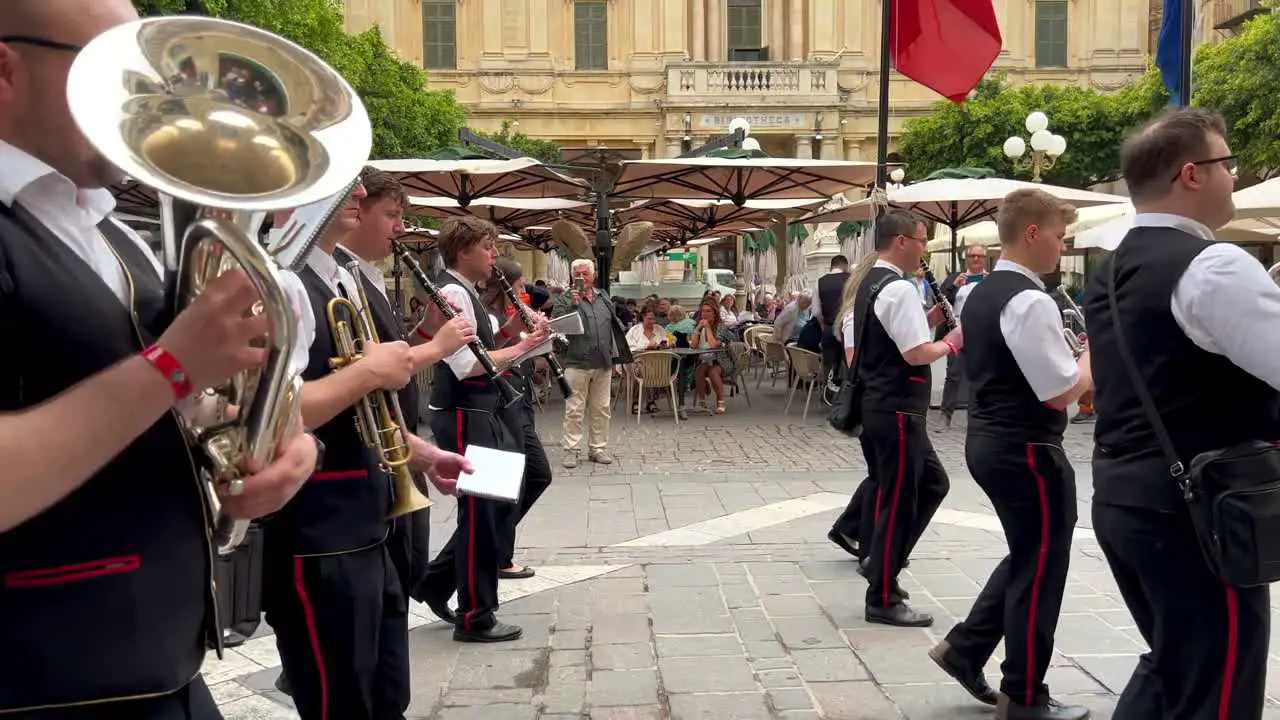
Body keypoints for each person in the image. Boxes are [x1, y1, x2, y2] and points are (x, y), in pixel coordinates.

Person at [0, 1, 320, 716]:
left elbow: (188, 407)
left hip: (162, 661)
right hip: (45, 681)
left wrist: (281, 444)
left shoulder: (110, 229)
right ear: (4, 66)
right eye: (107, 72)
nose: (141, 106)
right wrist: (171, 367)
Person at [1083, 107, 1280, 720]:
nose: (1235, 177)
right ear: (1192, 174)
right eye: (1229, 165)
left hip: (1126, 496)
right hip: (1198, 510)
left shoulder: (1111, 268)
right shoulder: (1212, 265)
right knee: (1217, 684)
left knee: (1176, 664)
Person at [266, 178, 470, 720]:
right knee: (341, 698)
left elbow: (362, 412)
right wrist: (370, 372)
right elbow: (268, 414)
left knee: (386, 691)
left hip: (370, 518)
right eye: (341, 177)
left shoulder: (342, 279)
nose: (358, 189)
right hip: (319, 528)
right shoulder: (279, 279)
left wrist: (422, 455)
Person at [928, 189, 1092, 720]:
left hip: (991, 439)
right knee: (1042, 567)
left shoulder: (979, 292)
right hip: (1028, 448)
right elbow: (1059, 390)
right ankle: (1023, 696)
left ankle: (965, 648)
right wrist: (1091, 357)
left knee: (1030, 554)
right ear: (1031, 233)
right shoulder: (1030, 299)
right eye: (1058, 235)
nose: (1060, 246)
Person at [330, 166, 476, 607]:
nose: (400, 227)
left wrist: (428, 331)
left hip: (398, 443)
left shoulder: (363, 276)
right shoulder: (337, 277)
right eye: (391, 214)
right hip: (369, 460)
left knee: (403, 574)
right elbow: (370, 371)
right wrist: (439, 347)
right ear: (355, 212)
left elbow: (384, 359)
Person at [411, 216, 547, 643]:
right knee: (483, 513)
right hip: (467, 411)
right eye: (488, 247)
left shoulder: (464, 291)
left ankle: (441, 585)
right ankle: (476, 616)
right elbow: (469, 365)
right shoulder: (452, 291)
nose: (494, 256)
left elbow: (484, 349)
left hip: (481, 411)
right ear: (464, 248)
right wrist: (525, 346)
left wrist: (516, 332)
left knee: (491, 510)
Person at [855, 209, 960, 627]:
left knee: (933, 483)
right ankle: (881, 593)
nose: (924, 249)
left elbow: (900, 335)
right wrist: (951, 342)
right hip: (896, 408)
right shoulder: (896, 288)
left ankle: (882, 561)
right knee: (899, 501)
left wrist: (929, 320)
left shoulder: (873, 281)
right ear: (901, 240)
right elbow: (916, 353)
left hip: (887, 406)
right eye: (922, 240)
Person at [478, 256, 554, 580]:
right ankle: (497, 555)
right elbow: (489, 360)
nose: (524, 292)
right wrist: (527, 343)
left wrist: (536, 350)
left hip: (519, 406)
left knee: (536, 476)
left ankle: (493, 546)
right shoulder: (490, 316)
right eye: (520, 285)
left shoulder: (505, 316)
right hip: (503, 410)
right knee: (514, 484)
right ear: (506, 287)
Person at [553, 258, 628, 468]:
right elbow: (557, 326)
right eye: (577, 274)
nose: (581, 278)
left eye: (585, 273)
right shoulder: (565, 299)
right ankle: (571, 450)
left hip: (602, 362)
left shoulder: (602, 296)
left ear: (593, 275)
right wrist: (573, 305)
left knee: (602, 408)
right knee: (574, 409)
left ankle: (598, 448)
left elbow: (614, 324)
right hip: (576, 362)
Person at [939, 244, 989, 425]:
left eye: (980, 256)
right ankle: (946, 414)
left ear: (986, 259)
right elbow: (940, 301)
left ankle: (978, 416)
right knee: (953, 374)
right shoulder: (954, 278)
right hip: (957, 333)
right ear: (965, 259)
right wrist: (953, 286)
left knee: (982, 376)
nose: (976, 259)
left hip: (982, 335)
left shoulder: (991, 280)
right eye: (972, 256)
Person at [811, 254, 851, 384]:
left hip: (828, 327)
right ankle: (845, 395)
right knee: (848, 362)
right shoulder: (851, 279)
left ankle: (826, 393)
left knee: (828, 363)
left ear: (831, 265)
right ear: (845, 266)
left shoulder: (820, 281)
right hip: (847, 328)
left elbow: (816, 311)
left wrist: (824, 325)